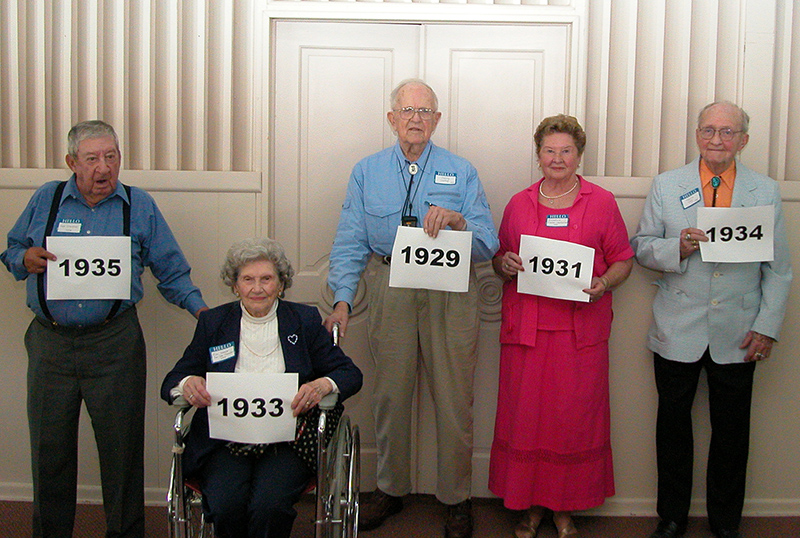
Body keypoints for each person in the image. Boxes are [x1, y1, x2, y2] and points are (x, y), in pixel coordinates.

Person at [0, 120, 208, 537]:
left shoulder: (139, 205)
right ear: (71, 162)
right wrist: (24, 260)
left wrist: (206, 315)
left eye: (111, 157)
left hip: (115, 343)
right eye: (92, 158)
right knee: (50, 451)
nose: (103, 168)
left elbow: (171, 272)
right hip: (50, 343)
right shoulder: (48, 199)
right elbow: (12, 250)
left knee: (122, 453)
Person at [324, 78, 498, 538]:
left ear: (437, 120)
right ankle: (390, 488)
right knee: (390, 394)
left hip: (450, 290)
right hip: (390, 287)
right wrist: (342, 299)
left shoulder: (462, 172)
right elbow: (349, 240)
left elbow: (488, 244)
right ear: (392, 119)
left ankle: (456, 498)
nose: (416, 119)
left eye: (425, 111)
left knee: (455, 397)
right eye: (407, 110)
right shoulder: (366, 171)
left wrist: (461, 221)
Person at [631, 102, 792, 538]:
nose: (716, 140)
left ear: (743, 139)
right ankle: (672, 517)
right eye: (708, 131)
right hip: (677, 327)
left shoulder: (765, 191)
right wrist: (676, 249)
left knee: (732, 434)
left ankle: (725, 522)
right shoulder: (667, 185)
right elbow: (643, 247)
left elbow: (778, 269)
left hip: (739, 333)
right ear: (696, 135)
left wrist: (766, 326)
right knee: (672, 429)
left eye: (727, 132)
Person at [489, 114, 634, 538]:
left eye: (565, 151)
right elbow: (500, 260)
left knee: (571, 425)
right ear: (538, 156)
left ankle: (564, 509)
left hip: (579, 335)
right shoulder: (518, 203)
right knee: (526, 422)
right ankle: (530, 508)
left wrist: (604, 282)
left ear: (578, 155)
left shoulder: (602, 202)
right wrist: (506, 265)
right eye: (549, 151)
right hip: (527, 334)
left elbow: (624, 259)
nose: (557, 158)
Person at [161, 237, 363, 538]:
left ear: (281, 284)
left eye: (267, 279)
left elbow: (349, 373)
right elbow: (173, 381)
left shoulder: (303, 321)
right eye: (248, 279)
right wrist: (188, 383)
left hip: (287, 440)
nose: (257, 288)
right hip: (224, 440)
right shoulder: (214, 323)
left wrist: (322, 384)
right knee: (226, 503)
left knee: (269, 506)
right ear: (235, 285)